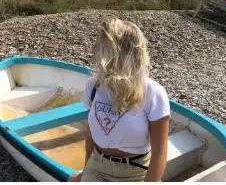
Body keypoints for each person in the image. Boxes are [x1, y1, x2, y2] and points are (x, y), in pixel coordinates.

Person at [68, 18, 170, 182]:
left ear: (116, 52)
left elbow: (160, 153)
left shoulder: (153, 93)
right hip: (97, 165)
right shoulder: (93, 86)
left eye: (101, 45)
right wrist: (84, 171)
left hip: (135, 171)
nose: (94, 49)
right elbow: (91, 134)